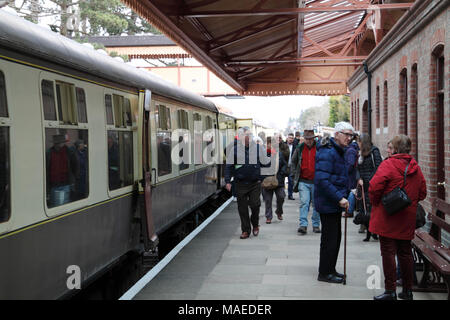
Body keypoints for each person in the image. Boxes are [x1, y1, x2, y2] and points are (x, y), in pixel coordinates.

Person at [369, 134, 427, 300]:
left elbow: (374, 187)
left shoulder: (388, 164)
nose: (387, 150)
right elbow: (423, 192)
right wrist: (409, 201)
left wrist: (376, 203)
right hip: (406, 218)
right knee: (405, 252)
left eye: (390, 147)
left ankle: (390, 291)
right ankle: (408, 291)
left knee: (388, 253)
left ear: (395, 149)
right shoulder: (415, 166)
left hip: (388, 216)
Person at [314, 122, 354, 283]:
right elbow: (322, 180)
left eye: (351, 135)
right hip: (328, 202)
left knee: (335, 238)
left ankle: (330, 269)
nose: (349, 138)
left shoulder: (338, 151)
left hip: (333, 202)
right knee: (330, 239)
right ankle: (325, 273)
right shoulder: (328, 152)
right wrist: (339, 197)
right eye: (346, 134)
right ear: (336, 134)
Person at [225, 127, 265, 239]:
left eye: (250, 135)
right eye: (247, 135)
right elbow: (229, 166)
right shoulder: (235, 150)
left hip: (255, 183)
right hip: (240, 183)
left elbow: (266, 163)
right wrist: (228, 181)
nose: (249, 137)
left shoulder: (258, 148)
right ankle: (245, 230)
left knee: (255, 205)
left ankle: (255, 224)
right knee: (242, 208)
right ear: (241, 137)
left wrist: (261, 178)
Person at [291, 129, 321, 235]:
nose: (308, 141)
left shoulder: (319, 148)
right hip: (303, 181)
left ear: (314, 138)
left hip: (316, 181)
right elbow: (293, 162)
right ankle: (303, 225)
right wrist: (294, 174)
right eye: (307, 139)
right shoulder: (300, 148)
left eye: (310, 139)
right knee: (304, 202)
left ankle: (316, 225)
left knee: (316, 204)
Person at [356, 133, 382, 241]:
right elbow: (357, 168)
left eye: (359, 141)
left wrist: (371, 180)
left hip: (372, 184)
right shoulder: (360, 154)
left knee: (371, 207)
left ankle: (374, 230)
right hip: (362, 185)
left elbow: (378, 167)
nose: (358, 143)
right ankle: (365, 225)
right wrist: (359, 178)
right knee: (363, 206)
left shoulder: (374, 151)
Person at [46, 134, 78, 207]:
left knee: (62, 206)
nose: (59, 144)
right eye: (57, 143)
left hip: (65, 184)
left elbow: (75, 166)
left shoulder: (69, 152)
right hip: (53, 185)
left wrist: (73, 179)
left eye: (60, 142)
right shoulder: (49, 153)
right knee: (55, 205)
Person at [261, 136, 287, 224]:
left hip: (278, 180)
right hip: (267, 180)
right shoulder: (263, 155)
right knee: (268, 200)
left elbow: (284, 165)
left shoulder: (279, 154)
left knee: (281, 197)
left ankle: (279, 211)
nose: (270, 145)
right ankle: (268, 217)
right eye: (269, 144)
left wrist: (282, 173)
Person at [286, 133, 296, 200]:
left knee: (290, 181)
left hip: (291, 166)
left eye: (292, 138)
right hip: (283, 165)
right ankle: (280, 194)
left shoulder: (295, 146)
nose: (291, 139)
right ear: (287, 138)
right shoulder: (283, 145)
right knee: (280, 180)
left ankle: (290, 194)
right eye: (290, 138)